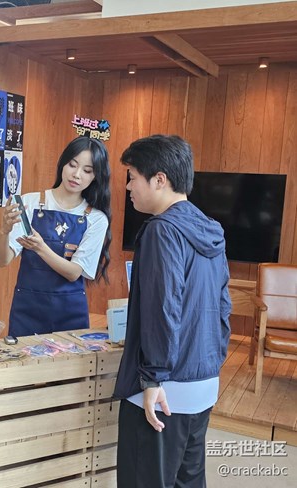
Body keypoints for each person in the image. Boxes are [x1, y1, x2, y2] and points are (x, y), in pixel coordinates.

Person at [113, 135, 231, 488]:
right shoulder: (210, 228)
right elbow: (223, 305)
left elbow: (162, 309)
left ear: (159, 179)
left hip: (163, 389)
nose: (128, 187)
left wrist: (153, 378)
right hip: (203, 381)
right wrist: (212, 361)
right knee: (188, 480)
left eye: (132, 177)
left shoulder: (161, 231)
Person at [0, 136, 112, 336]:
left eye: (87, 170)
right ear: (62, 164)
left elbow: (73, 273)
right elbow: (2, 260)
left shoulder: (96, 219)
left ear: (95, 176)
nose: (76, 175)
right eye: (72, 165)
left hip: (70, 314)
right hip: (27, 310)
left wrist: (41, 247)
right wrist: (4, 231)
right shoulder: (29, 202)